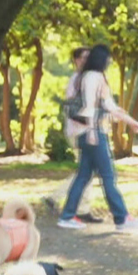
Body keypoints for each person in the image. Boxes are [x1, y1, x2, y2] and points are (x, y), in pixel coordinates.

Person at [57, 44, 138, 232]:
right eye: (107, 58)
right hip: (93, 133)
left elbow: (111, 107)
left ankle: (67, 216)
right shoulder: (91, 78)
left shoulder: (94, 77)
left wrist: (131, 122)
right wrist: (91, 133)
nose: (109, 61)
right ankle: (122, 218)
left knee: (83, 176)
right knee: (108, 175)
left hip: (92, 132)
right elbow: (89, 107)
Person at [44, 47, 100, 223]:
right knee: (87, 171)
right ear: (75, 60)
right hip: (79, 131)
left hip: (85, 130)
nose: (85, 61)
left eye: (88, 58)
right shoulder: (76, 80)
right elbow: (73, 108)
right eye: (82, 58)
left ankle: (82, 209)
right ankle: (55, 197)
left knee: (88, 171)